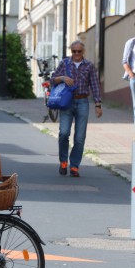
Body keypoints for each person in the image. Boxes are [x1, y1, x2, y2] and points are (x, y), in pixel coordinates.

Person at [50, 40, 103, 178]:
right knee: (64, 133)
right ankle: (63, 161)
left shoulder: (89, 66)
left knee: (79, 137)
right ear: (71, 51)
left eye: (79, 51)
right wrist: (62, 77)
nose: (77, 54)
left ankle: (74, 165)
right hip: (66, 102)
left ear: (83, 52)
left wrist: (98, 104)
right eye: (74, 51)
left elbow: (95, 85)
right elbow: (52, 80)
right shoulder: (64, 63)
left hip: (83, 102)